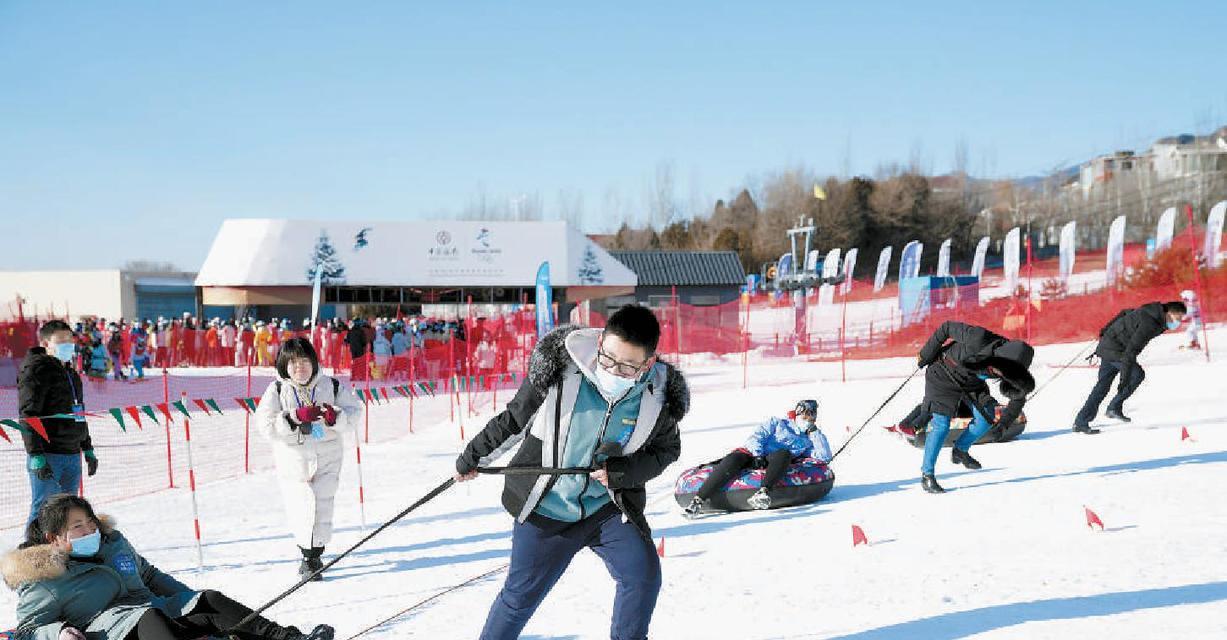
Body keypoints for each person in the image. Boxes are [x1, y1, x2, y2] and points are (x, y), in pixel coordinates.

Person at [454, 305, 688, 640]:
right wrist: (472, 457)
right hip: (546, 510)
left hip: (606, 509)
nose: (612, 369)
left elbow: (667, 450)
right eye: (607, 357)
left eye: (626, 366)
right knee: (519, 599)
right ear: (601, 341)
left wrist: (621, 473)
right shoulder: (561, 370)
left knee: (643, 576)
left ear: (648, 364)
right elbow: (514, 420)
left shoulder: (658, 397)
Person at [3, 494, 333, 640]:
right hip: (111, 631)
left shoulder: (112, 542)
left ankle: (291, 638)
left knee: (209, 600)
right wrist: (58, 632)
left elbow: (148, 575)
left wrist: (191, 601)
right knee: (151, 618)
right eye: (78, 527)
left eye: (90, 521)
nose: (90, 531)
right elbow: (29, 630)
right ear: (54, 536)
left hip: (152, 608)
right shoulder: (43, 577)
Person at [254, 338, 362, 581]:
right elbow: (265, 425)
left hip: (328, 456)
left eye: (304, 361)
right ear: (284, 366)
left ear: (313, 362)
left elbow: (355, 413)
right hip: (294, 460)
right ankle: (306, 553)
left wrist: (335, 417)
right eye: (292, 363)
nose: (299, 367)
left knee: (323, 505)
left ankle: (315, 555)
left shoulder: (331, 386)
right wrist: (292, 418)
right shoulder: (277, 390)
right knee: (302, 506)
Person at [915, 321, 1035, 493]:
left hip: (971, 383)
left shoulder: (1014, 368)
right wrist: (925, 354)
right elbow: (946, 327)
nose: (1002, 375)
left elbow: (1018, 399)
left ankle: (960, 450)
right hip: (943, 374)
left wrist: (1003, 425)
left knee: (986, 418)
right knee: (941, 425)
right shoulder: (978, 338)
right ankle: (927, 475)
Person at [682, 399, 831, 517]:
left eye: (812, 417)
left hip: (774, 461)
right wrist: (758, 454)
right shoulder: (777, 423)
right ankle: (698, 500)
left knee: (784, 453)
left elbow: (824, 457)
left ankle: (763, 492)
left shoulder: (807, 439)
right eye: (806, 416)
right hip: (753, 455)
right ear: (798, 414)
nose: (809, 420)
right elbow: (756, 437)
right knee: (734, 459)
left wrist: (815, 432)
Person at [18, 321, 99, 524]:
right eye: (61, 340)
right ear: (46, 343)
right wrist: (36, 454)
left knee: (66, 513)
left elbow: (78, 413)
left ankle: (60, 553)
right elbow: (28, 414)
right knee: (43, 509)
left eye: (69, 339)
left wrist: (87, 448)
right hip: (49, 453)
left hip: (71, 452)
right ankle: (31, 553)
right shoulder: (37, 370)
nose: (68, 344)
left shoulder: (71, 373)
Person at [1072, 301, 1187, 434]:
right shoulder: (1150, 324)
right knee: (1137, 375)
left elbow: (1125, 312)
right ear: (1169, 313)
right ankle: (1113, 407)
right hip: (1116, 350)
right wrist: (1124, 380)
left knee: (1101, 387)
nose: (1178, 322)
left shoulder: (1151, 311)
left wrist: (1105, 330)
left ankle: (1081, 422)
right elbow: (1132, 350)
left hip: (1109, 345)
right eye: (1178, 318)